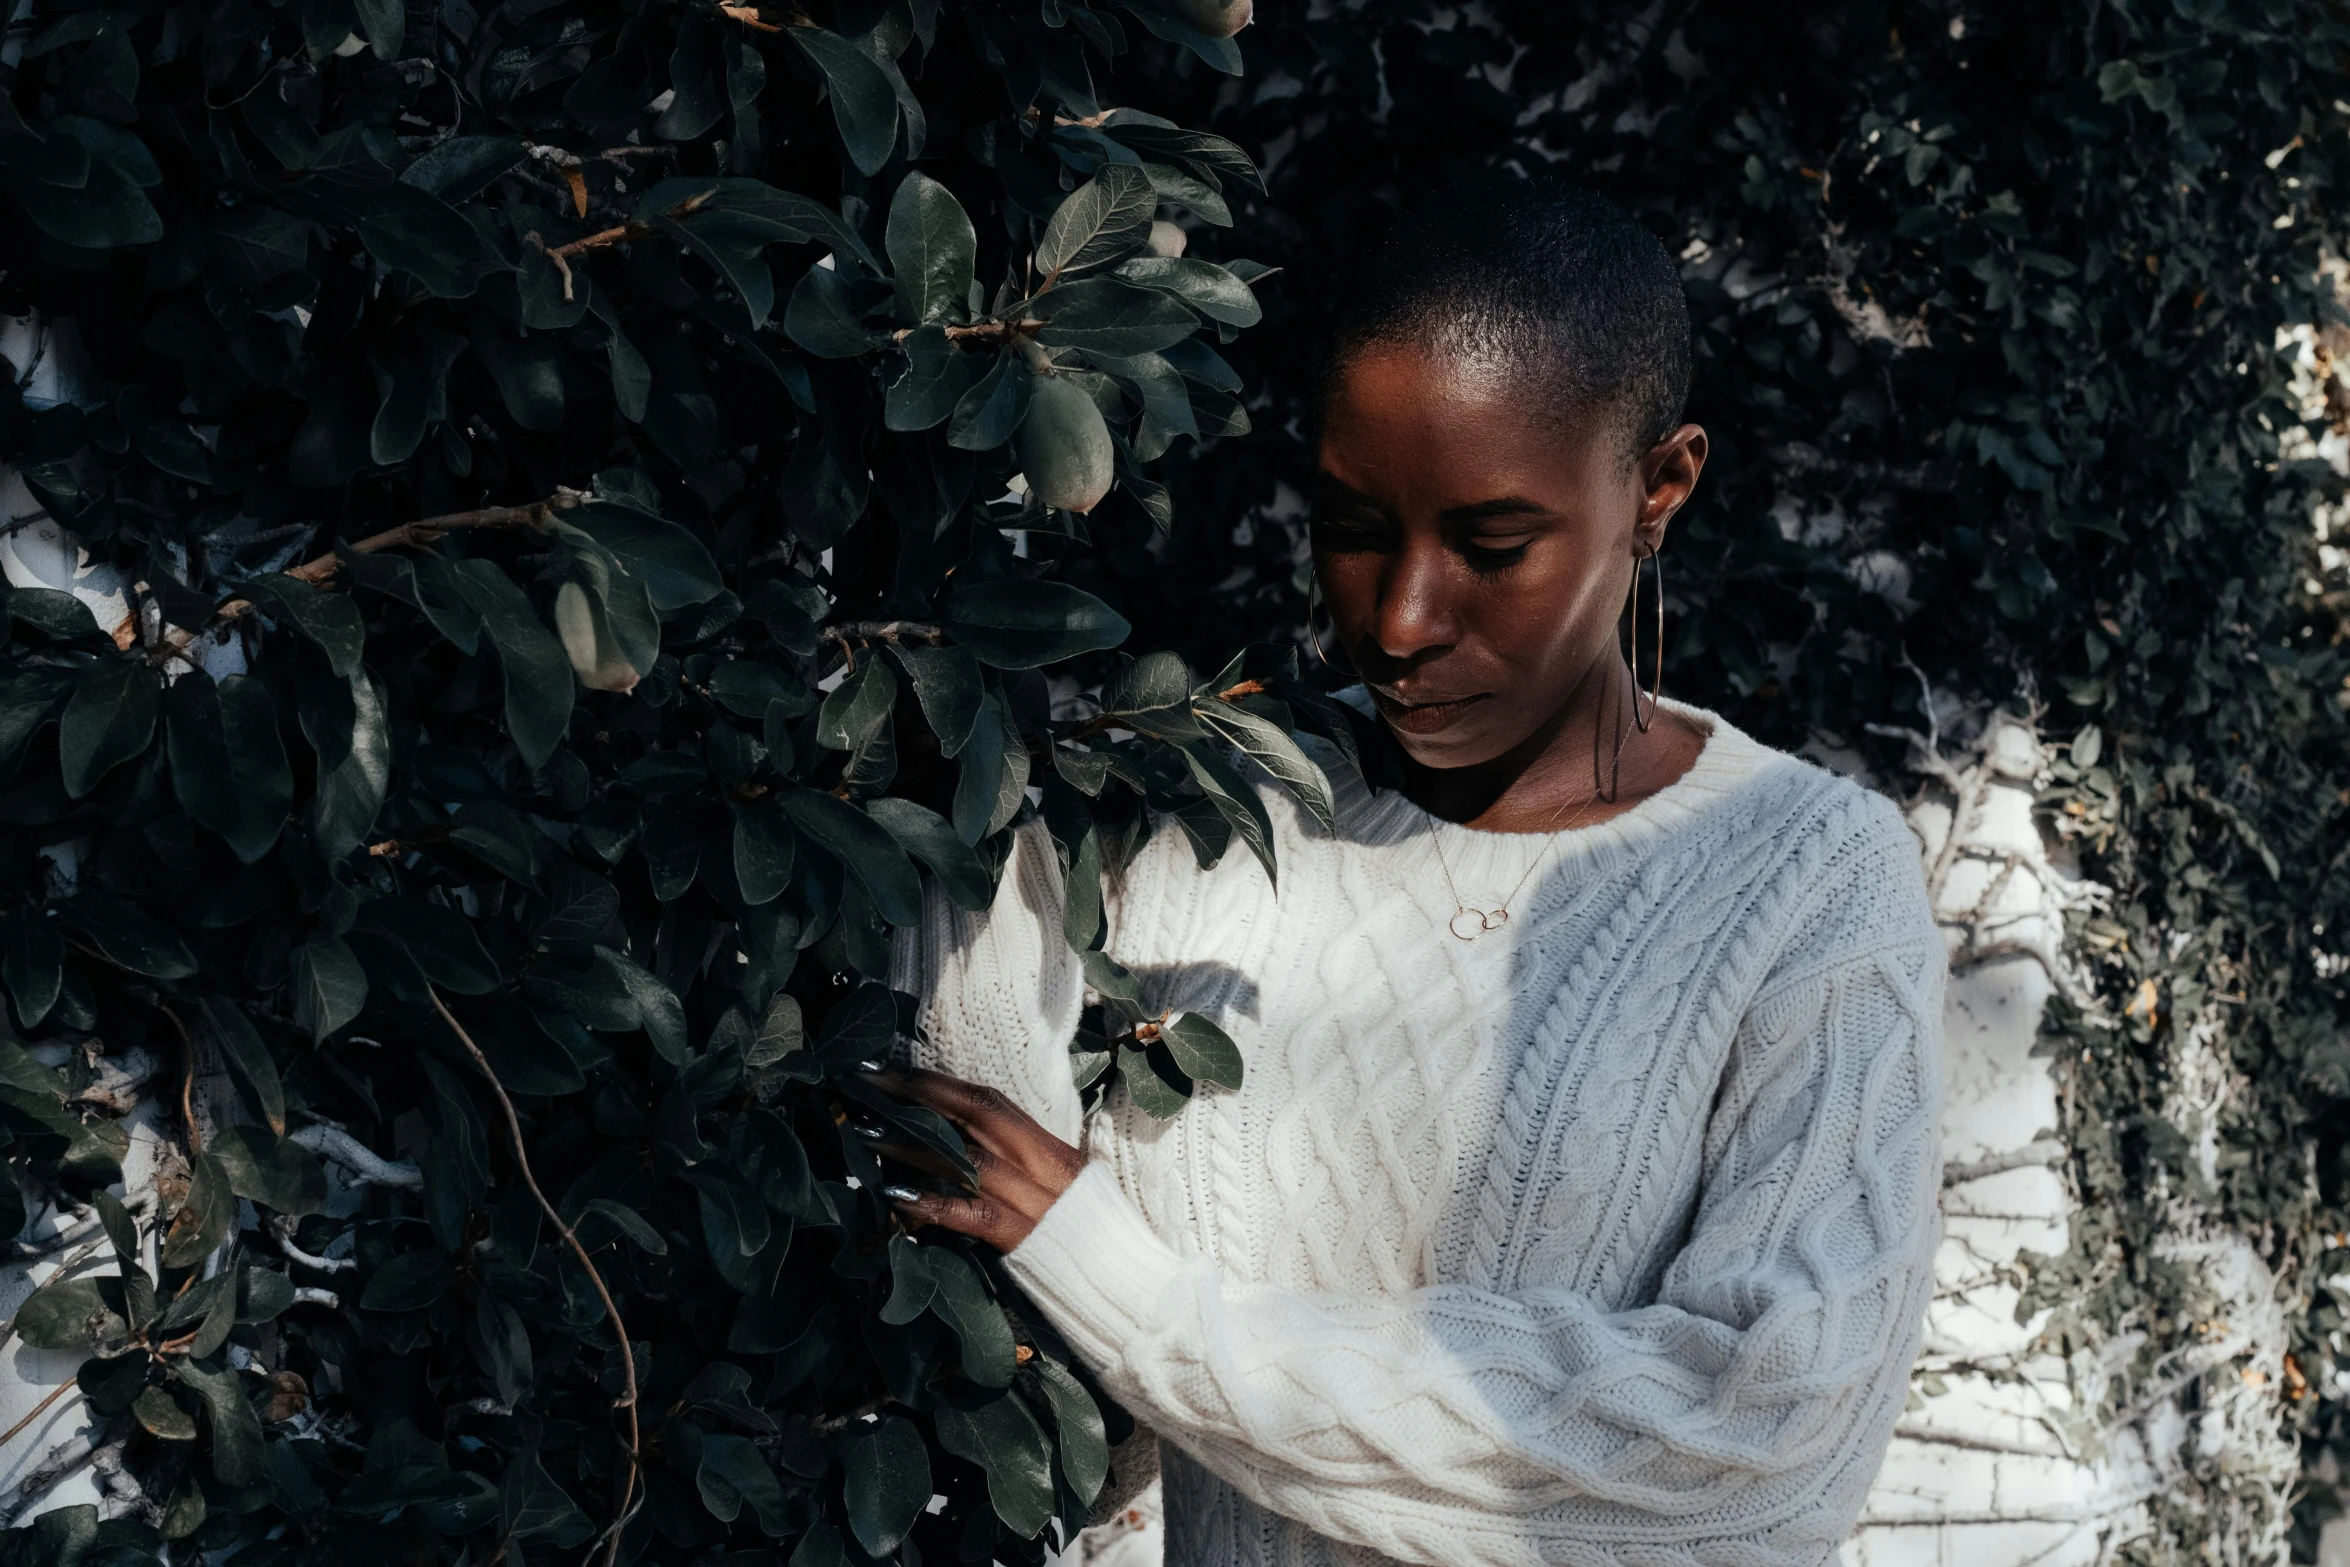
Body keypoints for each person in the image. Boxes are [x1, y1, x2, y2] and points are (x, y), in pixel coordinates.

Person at [869, 177, 1945, 1567]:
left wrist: (1129, 1290)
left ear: (1658, 487)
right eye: (1351, 527)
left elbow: (1754, 1446)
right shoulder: (1206, 805)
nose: (1398, 617)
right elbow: (968, 1075)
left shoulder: (1808, 888)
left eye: (1492, 546)